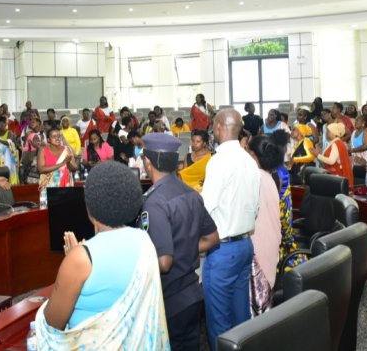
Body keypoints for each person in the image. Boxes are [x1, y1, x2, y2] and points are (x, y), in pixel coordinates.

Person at [35, 161, 169, 349]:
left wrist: (71, 260)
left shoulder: (80, 259)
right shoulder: (144, 241)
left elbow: (52, 324)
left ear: (89, 205)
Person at [138, 133, 219, 350]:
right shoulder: (190, 193)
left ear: (148, 162)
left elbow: (164, 262)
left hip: (169, 300)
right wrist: (184, 248)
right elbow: (212, 238)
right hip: (192, 294)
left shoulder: (153, 203)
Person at [200, 108, 260, 349]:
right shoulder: (250, 161)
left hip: (222, 251)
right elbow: (255, 208)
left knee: (219, 324)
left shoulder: (218, 161)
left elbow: (205, 209)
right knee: (240, 319)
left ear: (217, 127)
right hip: (245, 245)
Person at [246, 134, 285, 314]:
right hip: (271, 243)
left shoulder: (254, 177)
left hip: (258, 247)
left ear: (253, 155)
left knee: (256, 303)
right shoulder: (271, 176)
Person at [310, 122, 354, 191]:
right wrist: (317, 154)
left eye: (328, 131)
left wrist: (317, 155)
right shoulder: (334, 142)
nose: (326, 133)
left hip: (337, 176)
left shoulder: (336, 143)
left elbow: (331, 161)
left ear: (333, 133)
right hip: (334, 176)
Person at [0, 116, 20, 186]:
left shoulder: (9, 133)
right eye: (1, 124)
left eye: (4, 124)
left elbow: (8, 143)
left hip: (9, 158)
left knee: (10, 173)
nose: (3, 125)